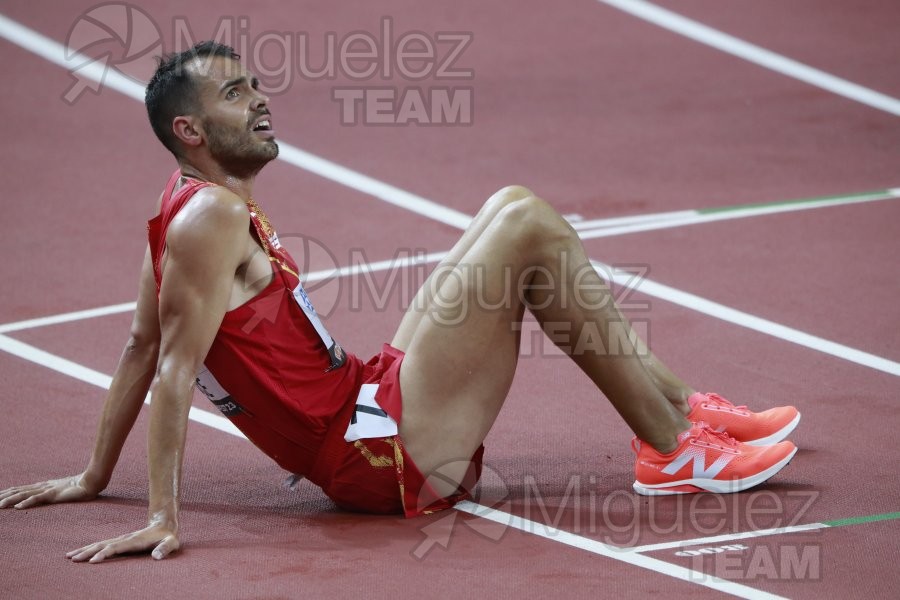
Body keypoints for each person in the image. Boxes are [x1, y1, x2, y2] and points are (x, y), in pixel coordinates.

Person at [0, 42, 800, 563]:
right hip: (376, 457)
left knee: (510, 207)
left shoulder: (179, 206)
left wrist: (93, 473)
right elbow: (171, 367)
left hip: (367, 404)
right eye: (236, 95)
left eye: (255, 85)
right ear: (191, 129)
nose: (260, 101)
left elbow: (139, 345)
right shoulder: (209, 217)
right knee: (524, 225)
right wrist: (163, 518)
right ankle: (671, 448)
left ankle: (681, 407)